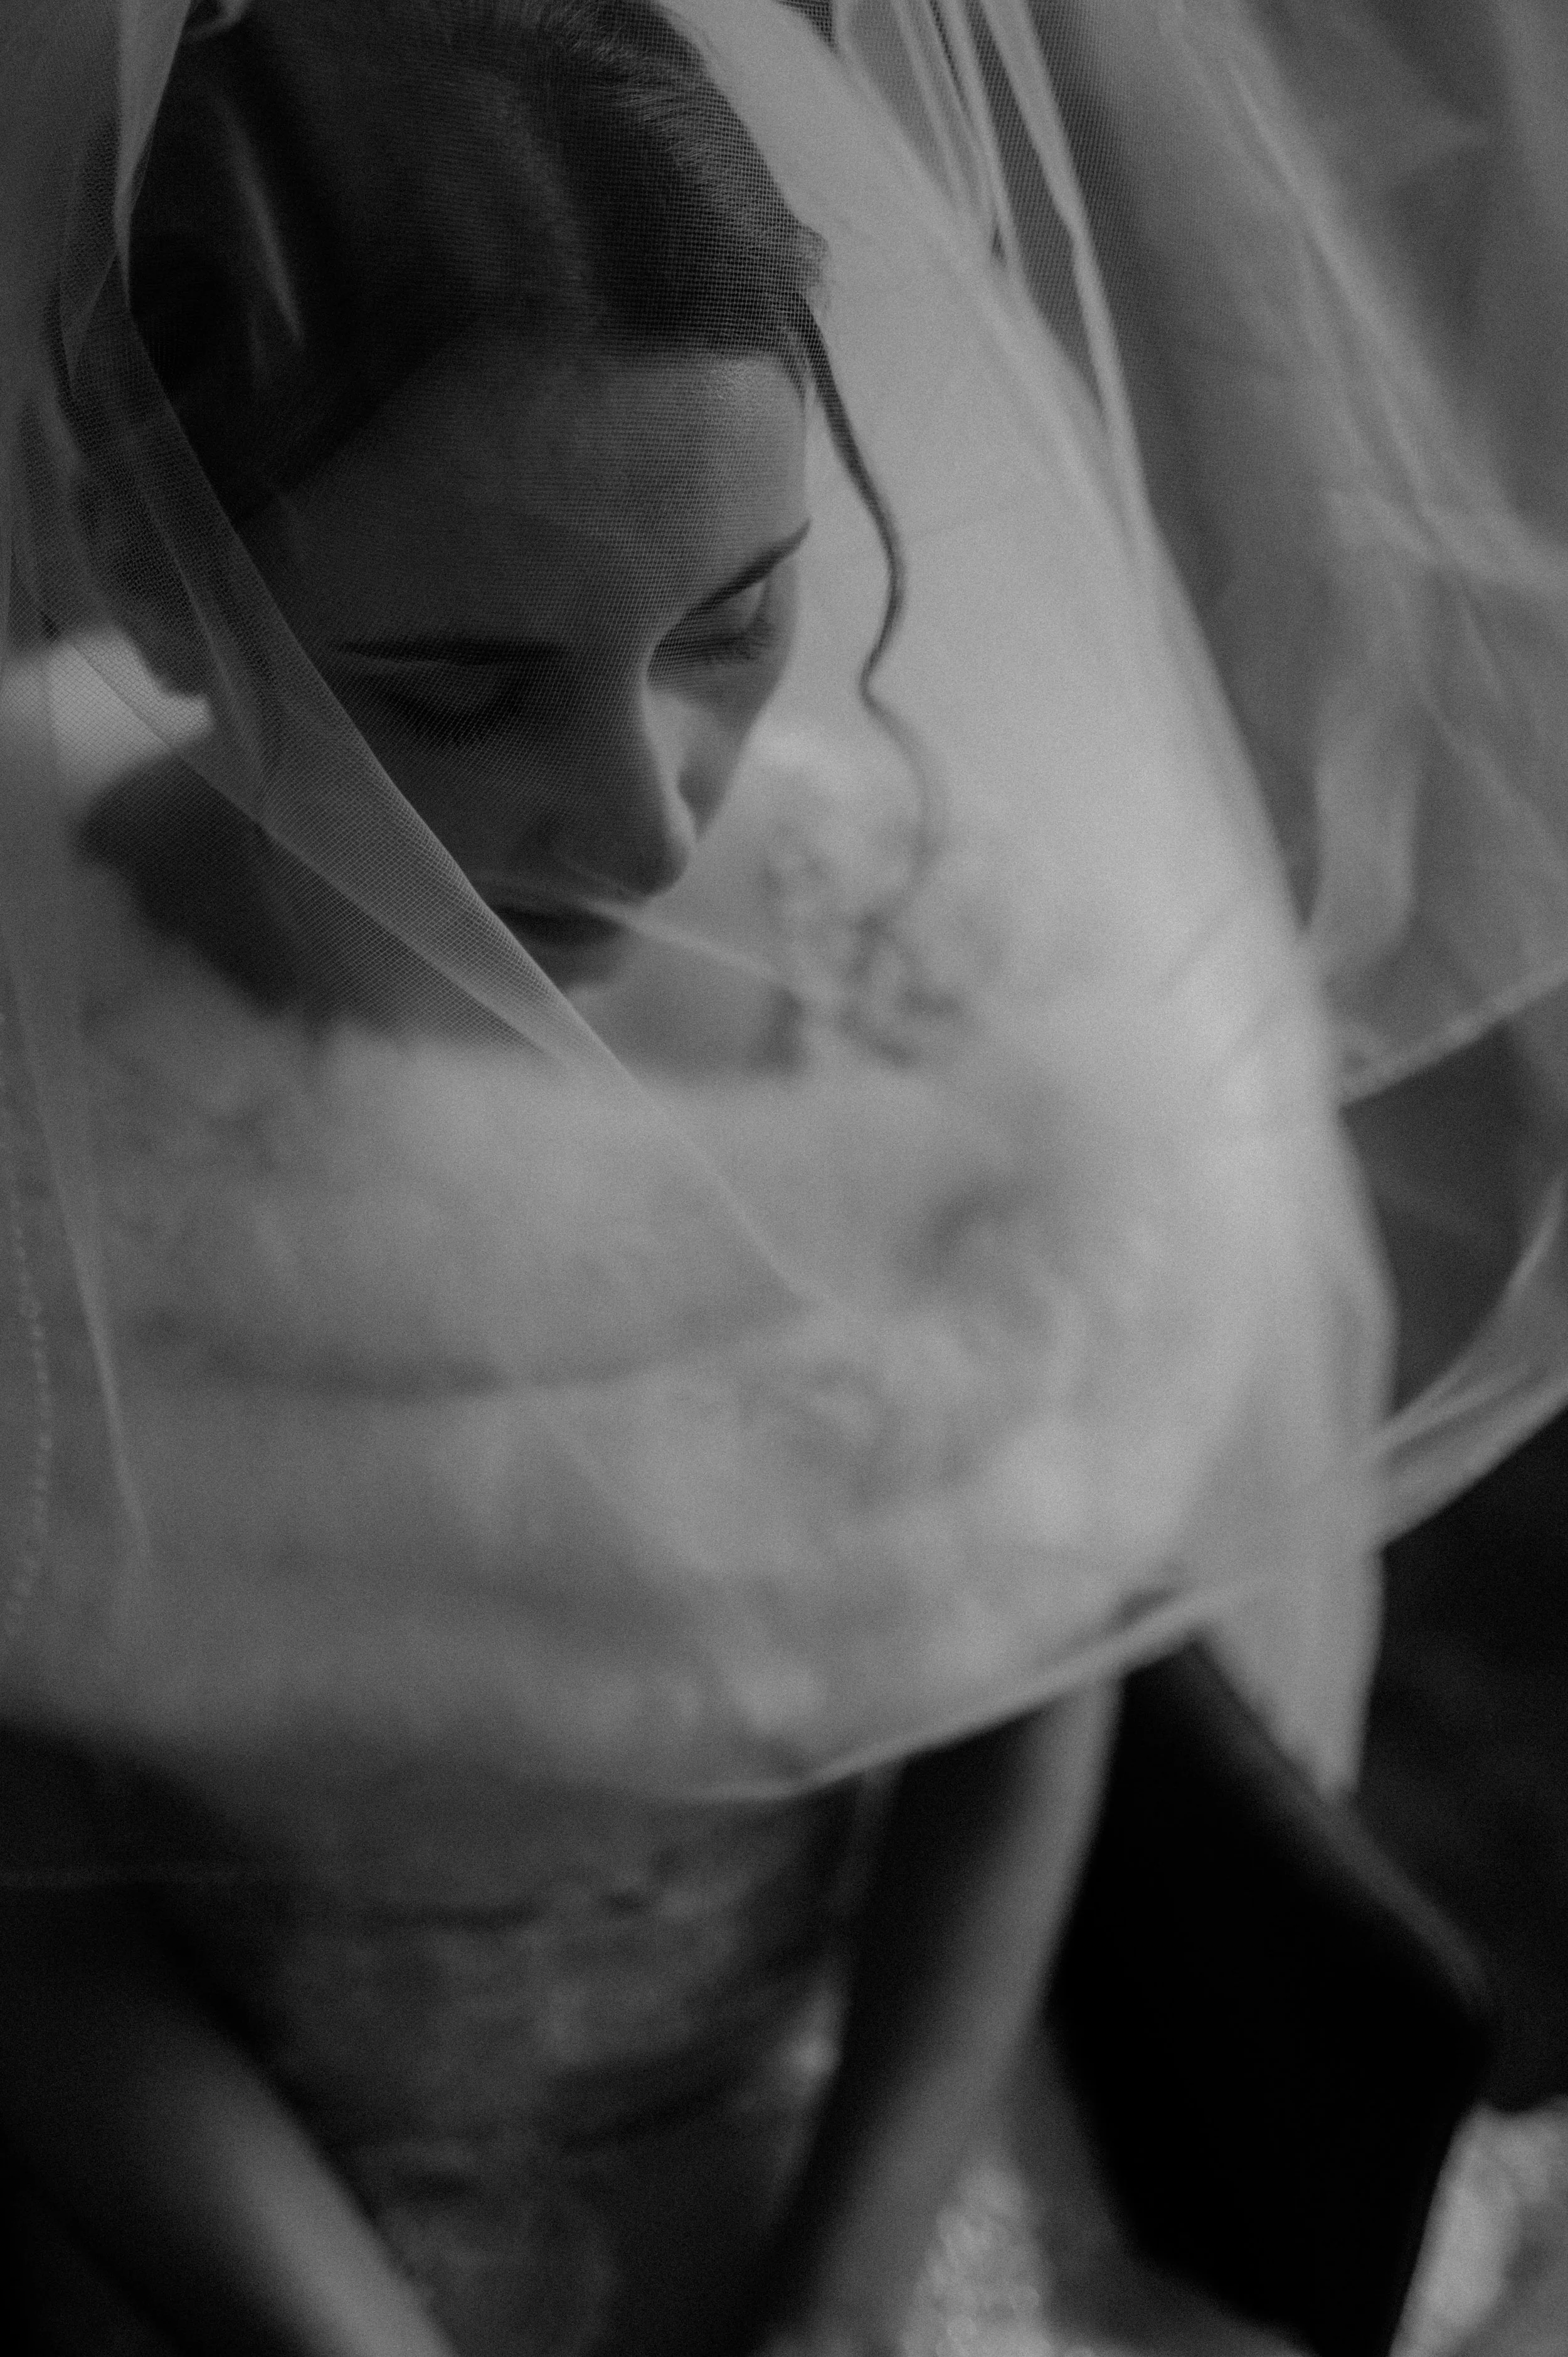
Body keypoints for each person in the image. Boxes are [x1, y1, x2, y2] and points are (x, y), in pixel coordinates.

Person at [0, 3, 1389, 2353]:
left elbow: (1011, 1663)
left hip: (826, 2175)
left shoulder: (966, 1030)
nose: (655, 818)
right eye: (455, 689)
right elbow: (32, 1891)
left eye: (733, 622)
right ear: (162, 581)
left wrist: (835, 2304)